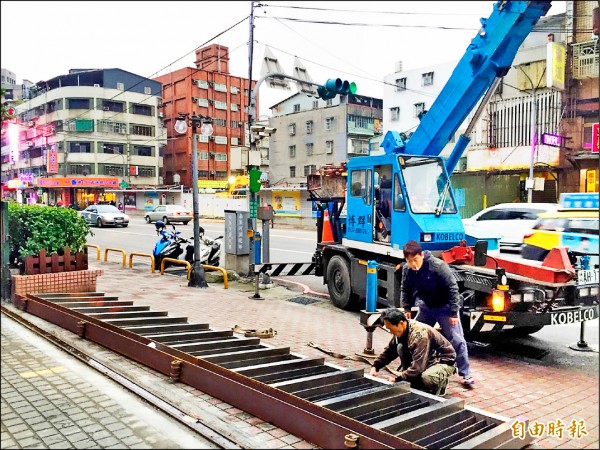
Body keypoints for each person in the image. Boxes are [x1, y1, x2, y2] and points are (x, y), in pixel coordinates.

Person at [400, 240, 475, 386]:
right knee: (413, 333)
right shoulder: (407, 270)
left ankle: (465, 374)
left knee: (456, 339)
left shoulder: (438, 266)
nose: (413, 265)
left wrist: (454, 313)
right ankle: (410, 368)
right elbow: (405, 289)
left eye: (415, 260)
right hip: (427, 307)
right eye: (409, 261)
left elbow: (453, 289)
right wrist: (407, 308)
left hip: (446, 308)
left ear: (422, 255)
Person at [369, 308, 457, 396]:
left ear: (401, 323)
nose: (390, 332)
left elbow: (418, 367)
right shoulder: (402, 329)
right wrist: (376, 366)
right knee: (399, 347)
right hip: (426, 357)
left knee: (427, 377)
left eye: (391, 329)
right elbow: (390, 351)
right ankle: (413, 379)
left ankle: (439, 384)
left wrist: (398, 379)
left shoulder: (419, 334)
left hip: (443, 360)